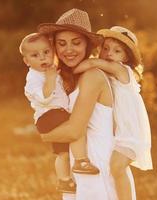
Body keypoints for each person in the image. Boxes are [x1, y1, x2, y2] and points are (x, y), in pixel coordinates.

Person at [37, 8, 136, 200]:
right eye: (62, 43)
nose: (69, 50)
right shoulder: (72, 77)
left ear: (88, 45)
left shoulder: (92, 76)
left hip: (98, 164)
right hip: (82, 163)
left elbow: (74, 131)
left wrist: (44, 135)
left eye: (76, 43)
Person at [74, 26, 153, 200]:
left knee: (117, 167)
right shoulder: (107, 73)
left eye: (117, 51)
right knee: (115, 169)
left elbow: (93, 62)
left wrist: (67, 71)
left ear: (125, 57)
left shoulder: (122, 70)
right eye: (106, 48)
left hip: (131, 132)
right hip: (121, 132)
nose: (109, 53)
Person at [19, 33, 99, 194]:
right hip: (49, 115)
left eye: (46, 52)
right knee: (77, 125)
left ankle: (64, 181)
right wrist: (50, 79)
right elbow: (44, 97)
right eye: (35, 55)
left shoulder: (51, 70)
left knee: (62, 153)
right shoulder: (34, 77)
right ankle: (81, 161)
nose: (43, 58)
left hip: (52, 116)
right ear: (27, 61)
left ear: (52, 52)